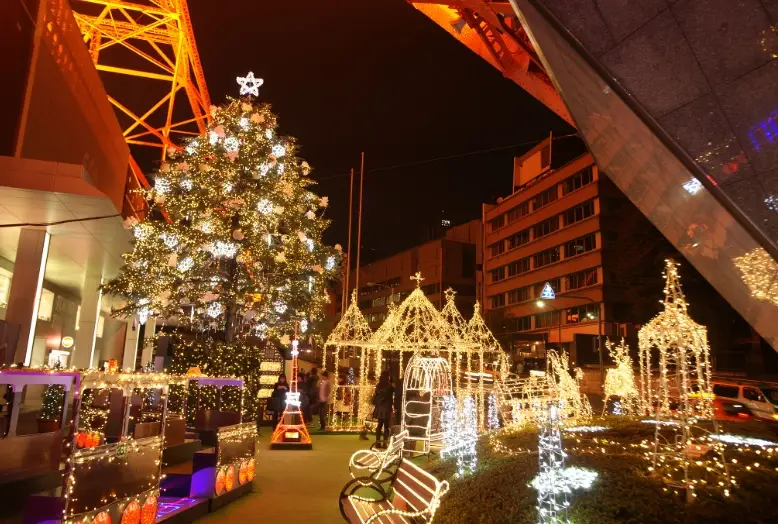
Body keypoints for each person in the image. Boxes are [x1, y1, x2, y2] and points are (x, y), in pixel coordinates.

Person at [372, 370, 394, 445]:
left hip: (379, 407)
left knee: (379, 425)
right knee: (386, 426)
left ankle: (377, 442)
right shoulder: (389, 386)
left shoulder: (378, 385)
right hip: (387, 408)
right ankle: (384, 443)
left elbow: (376, 395)